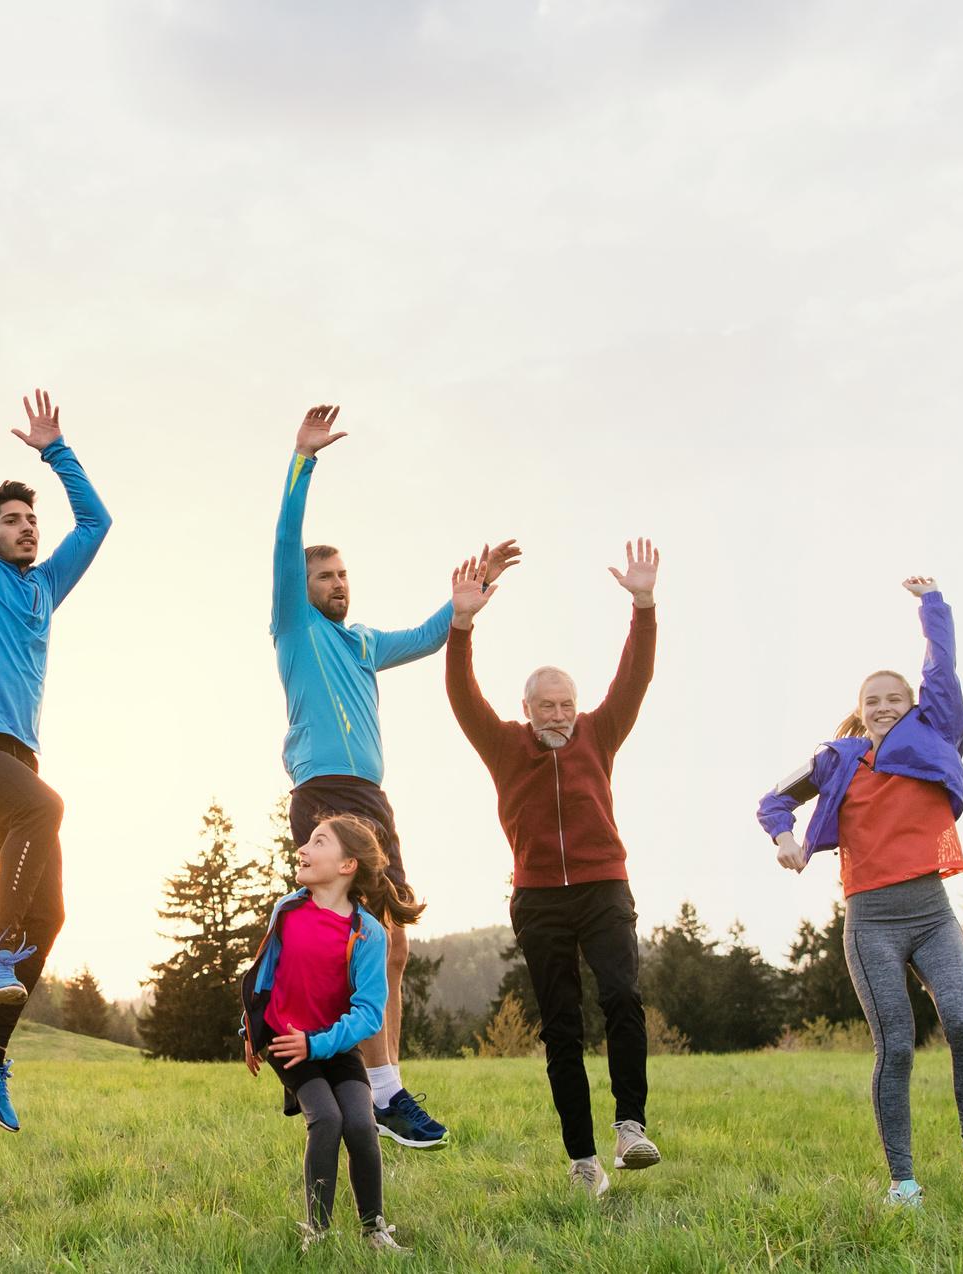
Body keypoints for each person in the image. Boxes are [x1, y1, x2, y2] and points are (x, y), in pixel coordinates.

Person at [272, 403, 517, 1149]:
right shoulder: (295, 624)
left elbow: (424, 633)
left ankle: (379, 1081)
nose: (338, 584)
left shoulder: (362, 642)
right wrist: (302, 460)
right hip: (326, 794)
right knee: (356, 941)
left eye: (344, 574)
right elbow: (285, 544)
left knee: (395, 943)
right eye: (325, 575)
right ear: (303, 586)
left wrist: (464, 604)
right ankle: (371, 1084)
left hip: (372, 800)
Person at [759, 577, 963, 1207]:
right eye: (871, 700)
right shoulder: (836, 760)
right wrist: (784, 838)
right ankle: (903, 1183)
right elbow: (775, 799)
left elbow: (943, 671)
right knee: (896, 1045)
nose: (882, 707)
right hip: (870, 922)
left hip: (931, 913)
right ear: (860, 708)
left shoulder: (934, 737)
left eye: (894, 698)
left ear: (911, 706)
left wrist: (931, 606)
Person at [443, 540, 663, 1197]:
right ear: (528, 709)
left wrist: (643, 606)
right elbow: (462, 696)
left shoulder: (600, 731)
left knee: (622, 996)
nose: (560, 714)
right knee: (561, 1028)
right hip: (537, 899)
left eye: (566, 703)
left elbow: (636, 676)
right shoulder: (503, 745)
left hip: (603, 887)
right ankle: (582, 1162)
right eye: (547, 705)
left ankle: (629, 1128)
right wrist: (461, 624)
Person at [0, 327, 112, 1132]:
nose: (25, 527)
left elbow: (97, 523)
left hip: (17, 756)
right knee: (44, 810)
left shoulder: (44, 588)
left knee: (55, 914)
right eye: (10, 520)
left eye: (28, 520)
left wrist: (57, 451)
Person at [241, 814, 418, 1254]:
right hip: (287, 1040)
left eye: (318, 842)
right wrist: (249, 1028)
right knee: (327, 1119)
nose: (303, 848)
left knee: (360, 1123)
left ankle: (374, 1230)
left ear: (347, 865)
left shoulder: (368, 933)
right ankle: (317, 1235)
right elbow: (263, 974)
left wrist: (318, 1042)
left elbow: (367, 1015)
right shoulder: (288, 910)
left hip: (334, 1044)